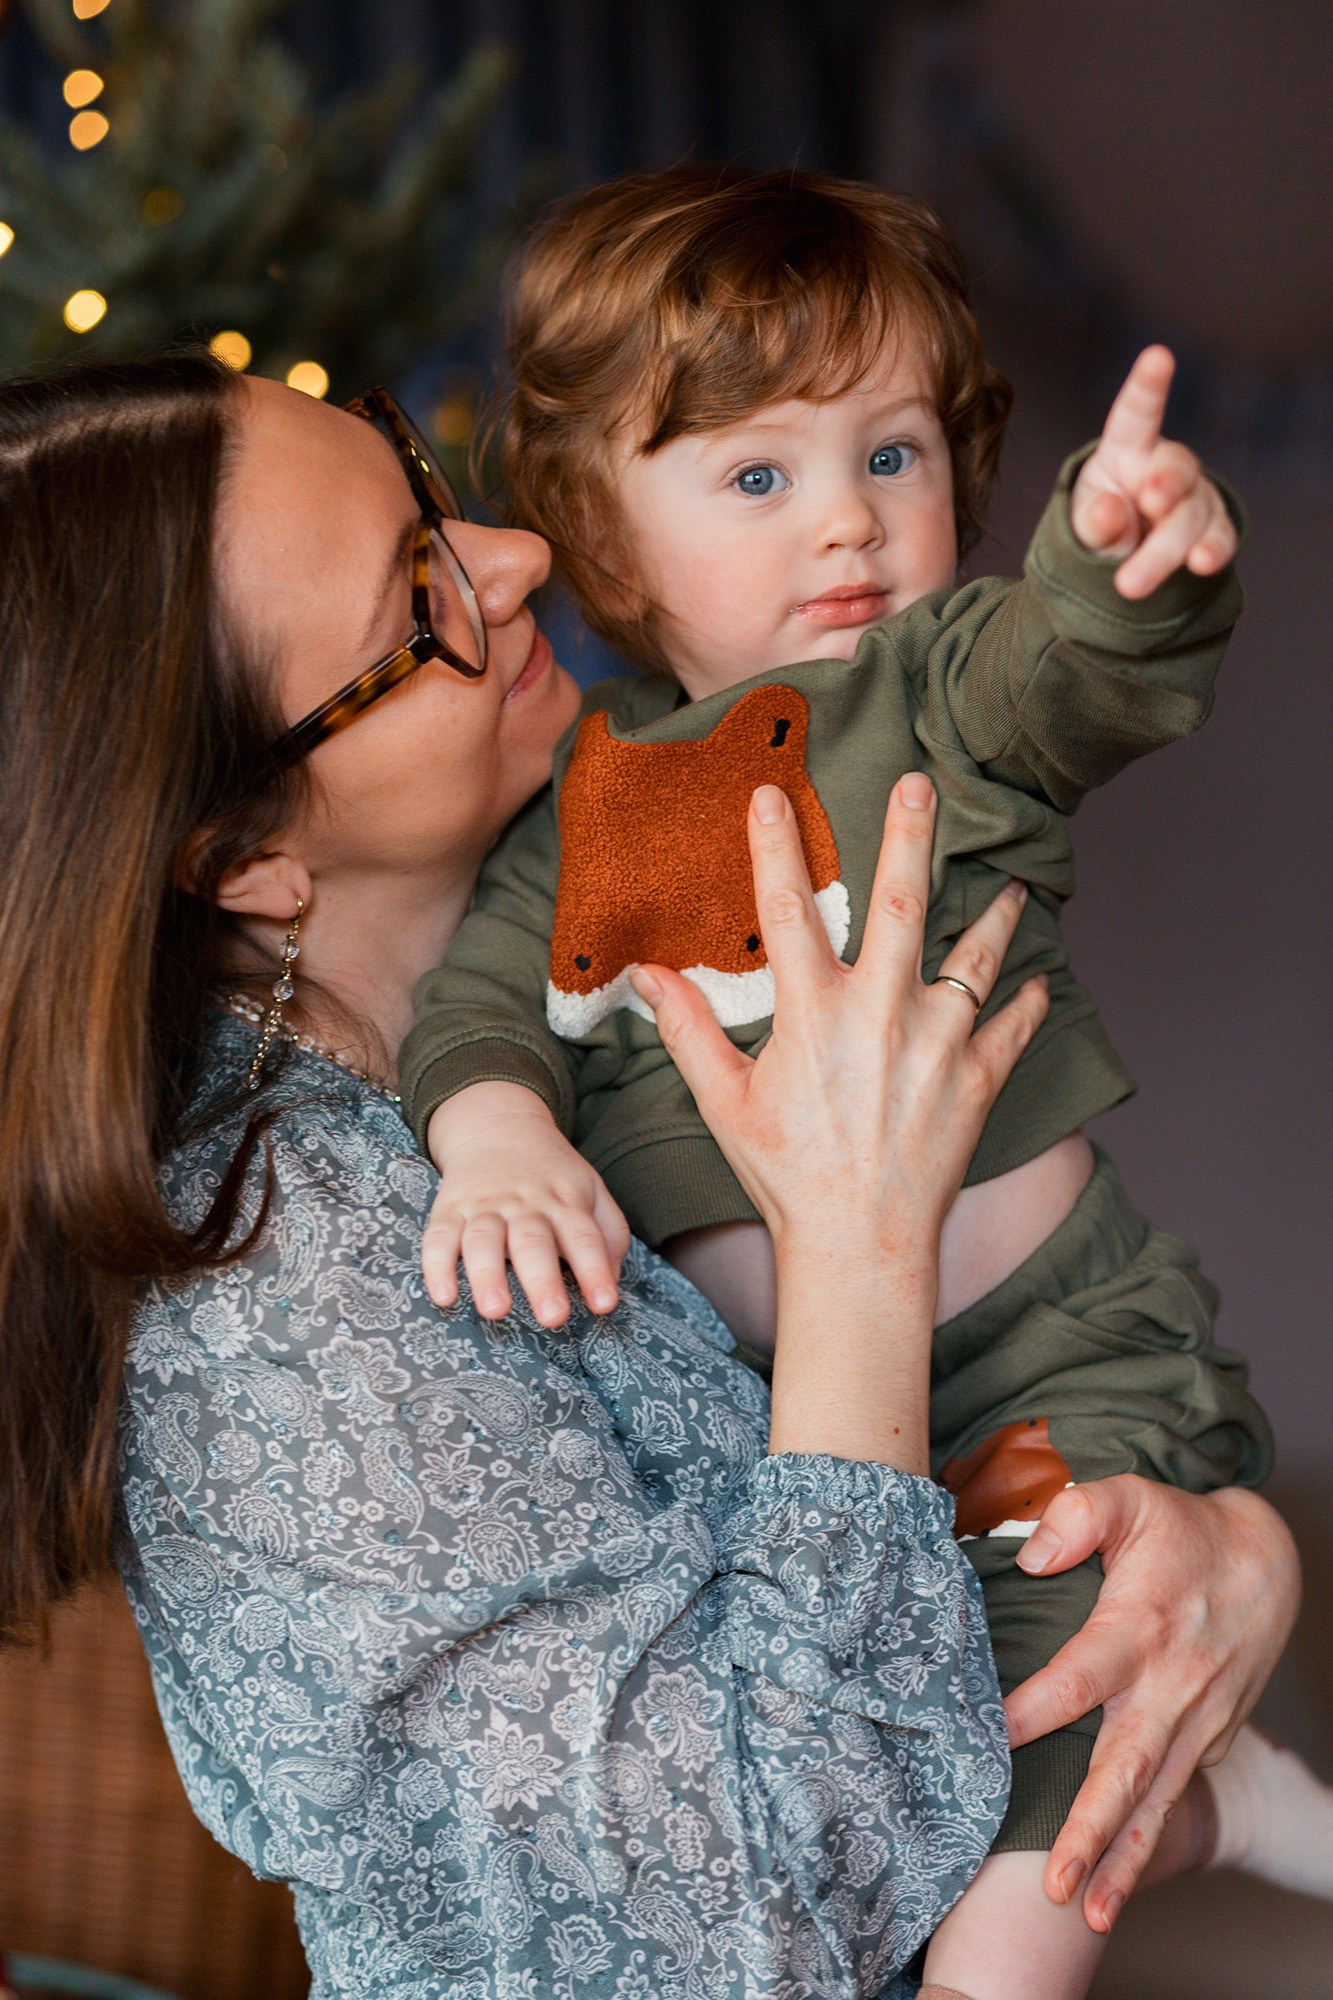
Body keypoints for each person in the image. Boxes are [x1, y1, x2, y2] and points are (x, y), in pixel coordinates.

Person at [0, 353, 1305, 1999]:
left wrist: (1225, 1542)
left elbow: (898, 1484)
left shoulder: (554, 1014)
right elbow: (745, 1932)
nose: (518, 556)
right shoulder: (278, 1295)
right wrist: (853, 1252)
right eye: (420, 594)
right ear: (247, 854)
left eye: (425, 490)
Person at [399, 169, 1330, 1995]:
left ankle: (1190, 1798)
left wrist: (1122, 548)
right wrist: (496, 1129)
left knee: (1031, 1808)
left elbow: (1074, 662)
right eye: (759, 475)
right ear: (602, 535)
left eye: (892, 456)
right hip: (811, 1441)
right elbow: (480, 1017)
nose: (850, 523)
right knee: (904, 1791)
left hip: (1054, 1361)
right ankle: (1215, 1801)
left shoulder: (934, 691)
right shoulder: (570, 824)